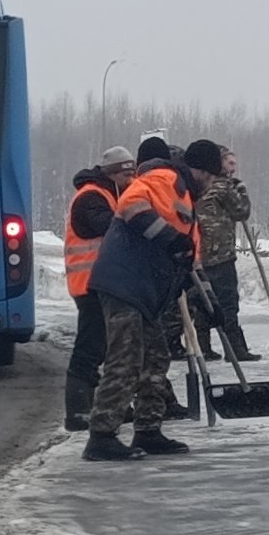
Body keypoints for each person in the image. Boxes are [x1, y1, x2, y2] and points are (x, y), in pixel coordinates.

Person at [79, 136, 209, 461]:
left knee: (155, 356)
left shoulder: (187, 201)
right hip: (123, 284)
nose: (211, 184)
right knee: (126, 358)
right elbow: (132, 206)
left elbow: (186, 258)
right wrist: (167, 237)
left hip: (144, 293)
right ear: (198, 170)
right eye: (210, 176)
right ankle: (102, 436)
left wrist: (210, 303)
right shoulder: (162, 179)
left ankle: (148, 430)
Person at [60, 148, 132, 431]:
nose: (131, 179)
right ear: (112, 173)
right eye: (127, 174)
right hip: (89, 284)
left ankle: (103, 406)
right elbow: (108, 226)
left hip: (102, 282)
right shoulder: (91, 197)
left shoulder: (107, 195)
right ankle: (78, 412)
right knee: (89, 348)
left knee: (103, 345)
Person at [184, 140, 253, 361]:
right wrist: (241, 189)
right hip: (220, 253)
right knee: (227, 301)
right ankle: (236, 349)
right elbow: (241, 211)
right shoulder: (224, 187)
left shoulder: (191, 187)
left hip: (198, 253)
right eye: (229, 162)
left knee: (203, 300)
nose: (232, 167)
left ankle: (203, 346)